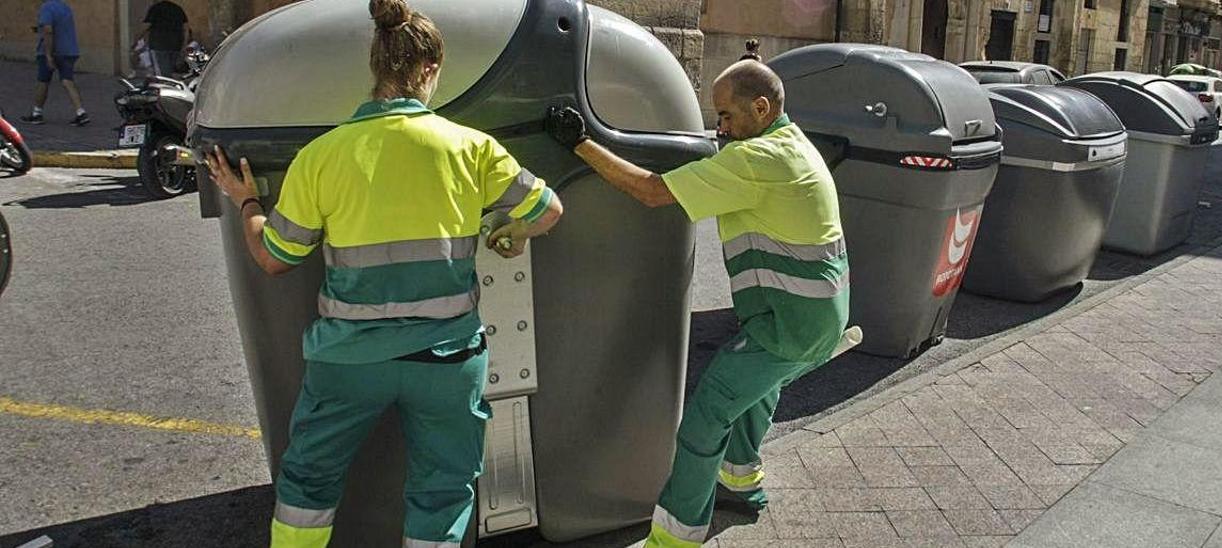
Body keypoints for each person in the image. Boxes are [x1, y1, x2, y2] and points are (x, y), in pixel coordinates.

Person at [205, 0, 563, 545]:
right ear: (427, 71)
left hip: (349, 360)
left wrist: (247, 202)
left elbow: (276, 257)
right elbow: (548, 211)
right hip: (446, 360)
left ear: (377, 68)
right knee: (443, 491)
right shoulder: (471, 147)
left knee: (308, 480)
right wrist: (507, 234)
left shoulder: (321, 156)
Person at [545, 59, 850, 548]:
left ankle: (675, 537)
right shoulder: (791, 144)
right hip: (817, 316)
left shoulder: (754, 161)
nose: (719, 127)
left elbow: (650, 191)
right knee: (753, 397)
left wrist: (580, 143)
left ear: (762, 107)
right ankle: (741, 484)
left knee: (709, 413)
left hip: (790, 325)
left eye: (727, 116)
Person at [22, 0, 89, 126]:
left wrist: (48, 55)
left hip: (53, 50)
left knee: (43, 81)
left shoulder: (46, 7)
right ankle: (81, 112)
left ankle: (37, 113)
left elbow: (48, 30)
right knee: (67, 80)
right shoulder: (65, 7)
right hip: (69, 50)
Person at [135, 0, 191, 77]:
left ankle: (165, 86)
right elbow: (186, 28)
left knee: (162, 74)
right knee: (171, 71)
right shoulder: (177, 9)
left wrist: (136, 39)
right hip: (176, 45)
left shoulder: (155, 8)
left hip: (158, 46)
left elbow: (146, 26)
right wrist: (184, 45)